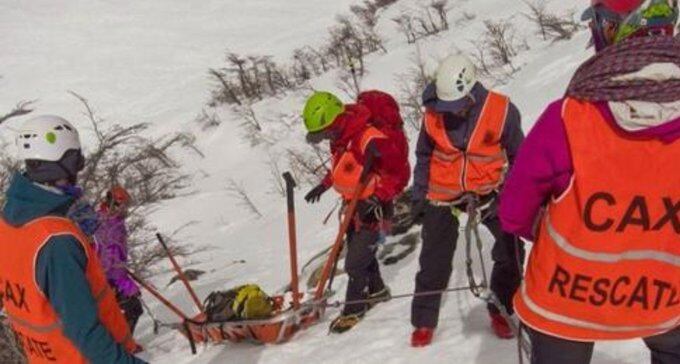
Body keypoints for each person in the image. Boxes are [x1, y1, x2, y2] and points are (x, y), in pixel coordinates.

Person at [499, 1, 680, 363]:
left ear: (615, 28)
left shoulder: (568, 117)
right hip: (662, 297)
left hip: (563, 299)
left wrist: (571, 227)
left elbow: (514, 212)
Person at [0, 115, 145, 363]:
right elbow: (84, 332)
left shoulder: (8, 224)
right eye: (76, 159)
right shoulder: (56, 240)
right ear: (64, 162)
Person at [410, 54, 525, 346]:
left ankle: (501, 306)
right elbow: (424, 155)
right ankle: (424, 320)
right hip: (443, 193)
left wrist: (512, 195)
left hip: (489, 191)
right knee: (434, 257)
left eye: (455, 106)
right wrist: (420, 193)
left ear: (471, 93)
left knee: (511, 248)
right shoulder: (434, 113)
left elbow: (519, 157)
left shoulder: (501, 111)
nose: (450, 112)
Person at [303, 90, 410, 334]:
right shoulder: (343, 136)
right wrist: (325, 184)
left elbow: (399, 172)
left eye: (323, 133)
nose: (323, 139)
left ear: (334, 122)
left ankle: (354, 309)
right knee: (362, 254)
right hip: (355, 206)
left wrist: (378, 196)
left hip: (375, 210)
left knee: (354, 263)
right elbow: (346, 166)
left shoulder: (369, 137)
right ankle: (377, 290)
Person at [95, 186, 144, 334]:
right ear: (114, 203)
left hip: (106, 278)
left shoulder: (107, 219)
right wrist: (126, 285)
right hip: (106, 280)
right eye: (123, 205)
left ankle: (121, 342)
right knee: (132, 308)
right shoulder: (109, 225)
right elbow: (110, 261)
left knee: (122, 311)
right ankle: (124, 345)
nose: (125, 209)